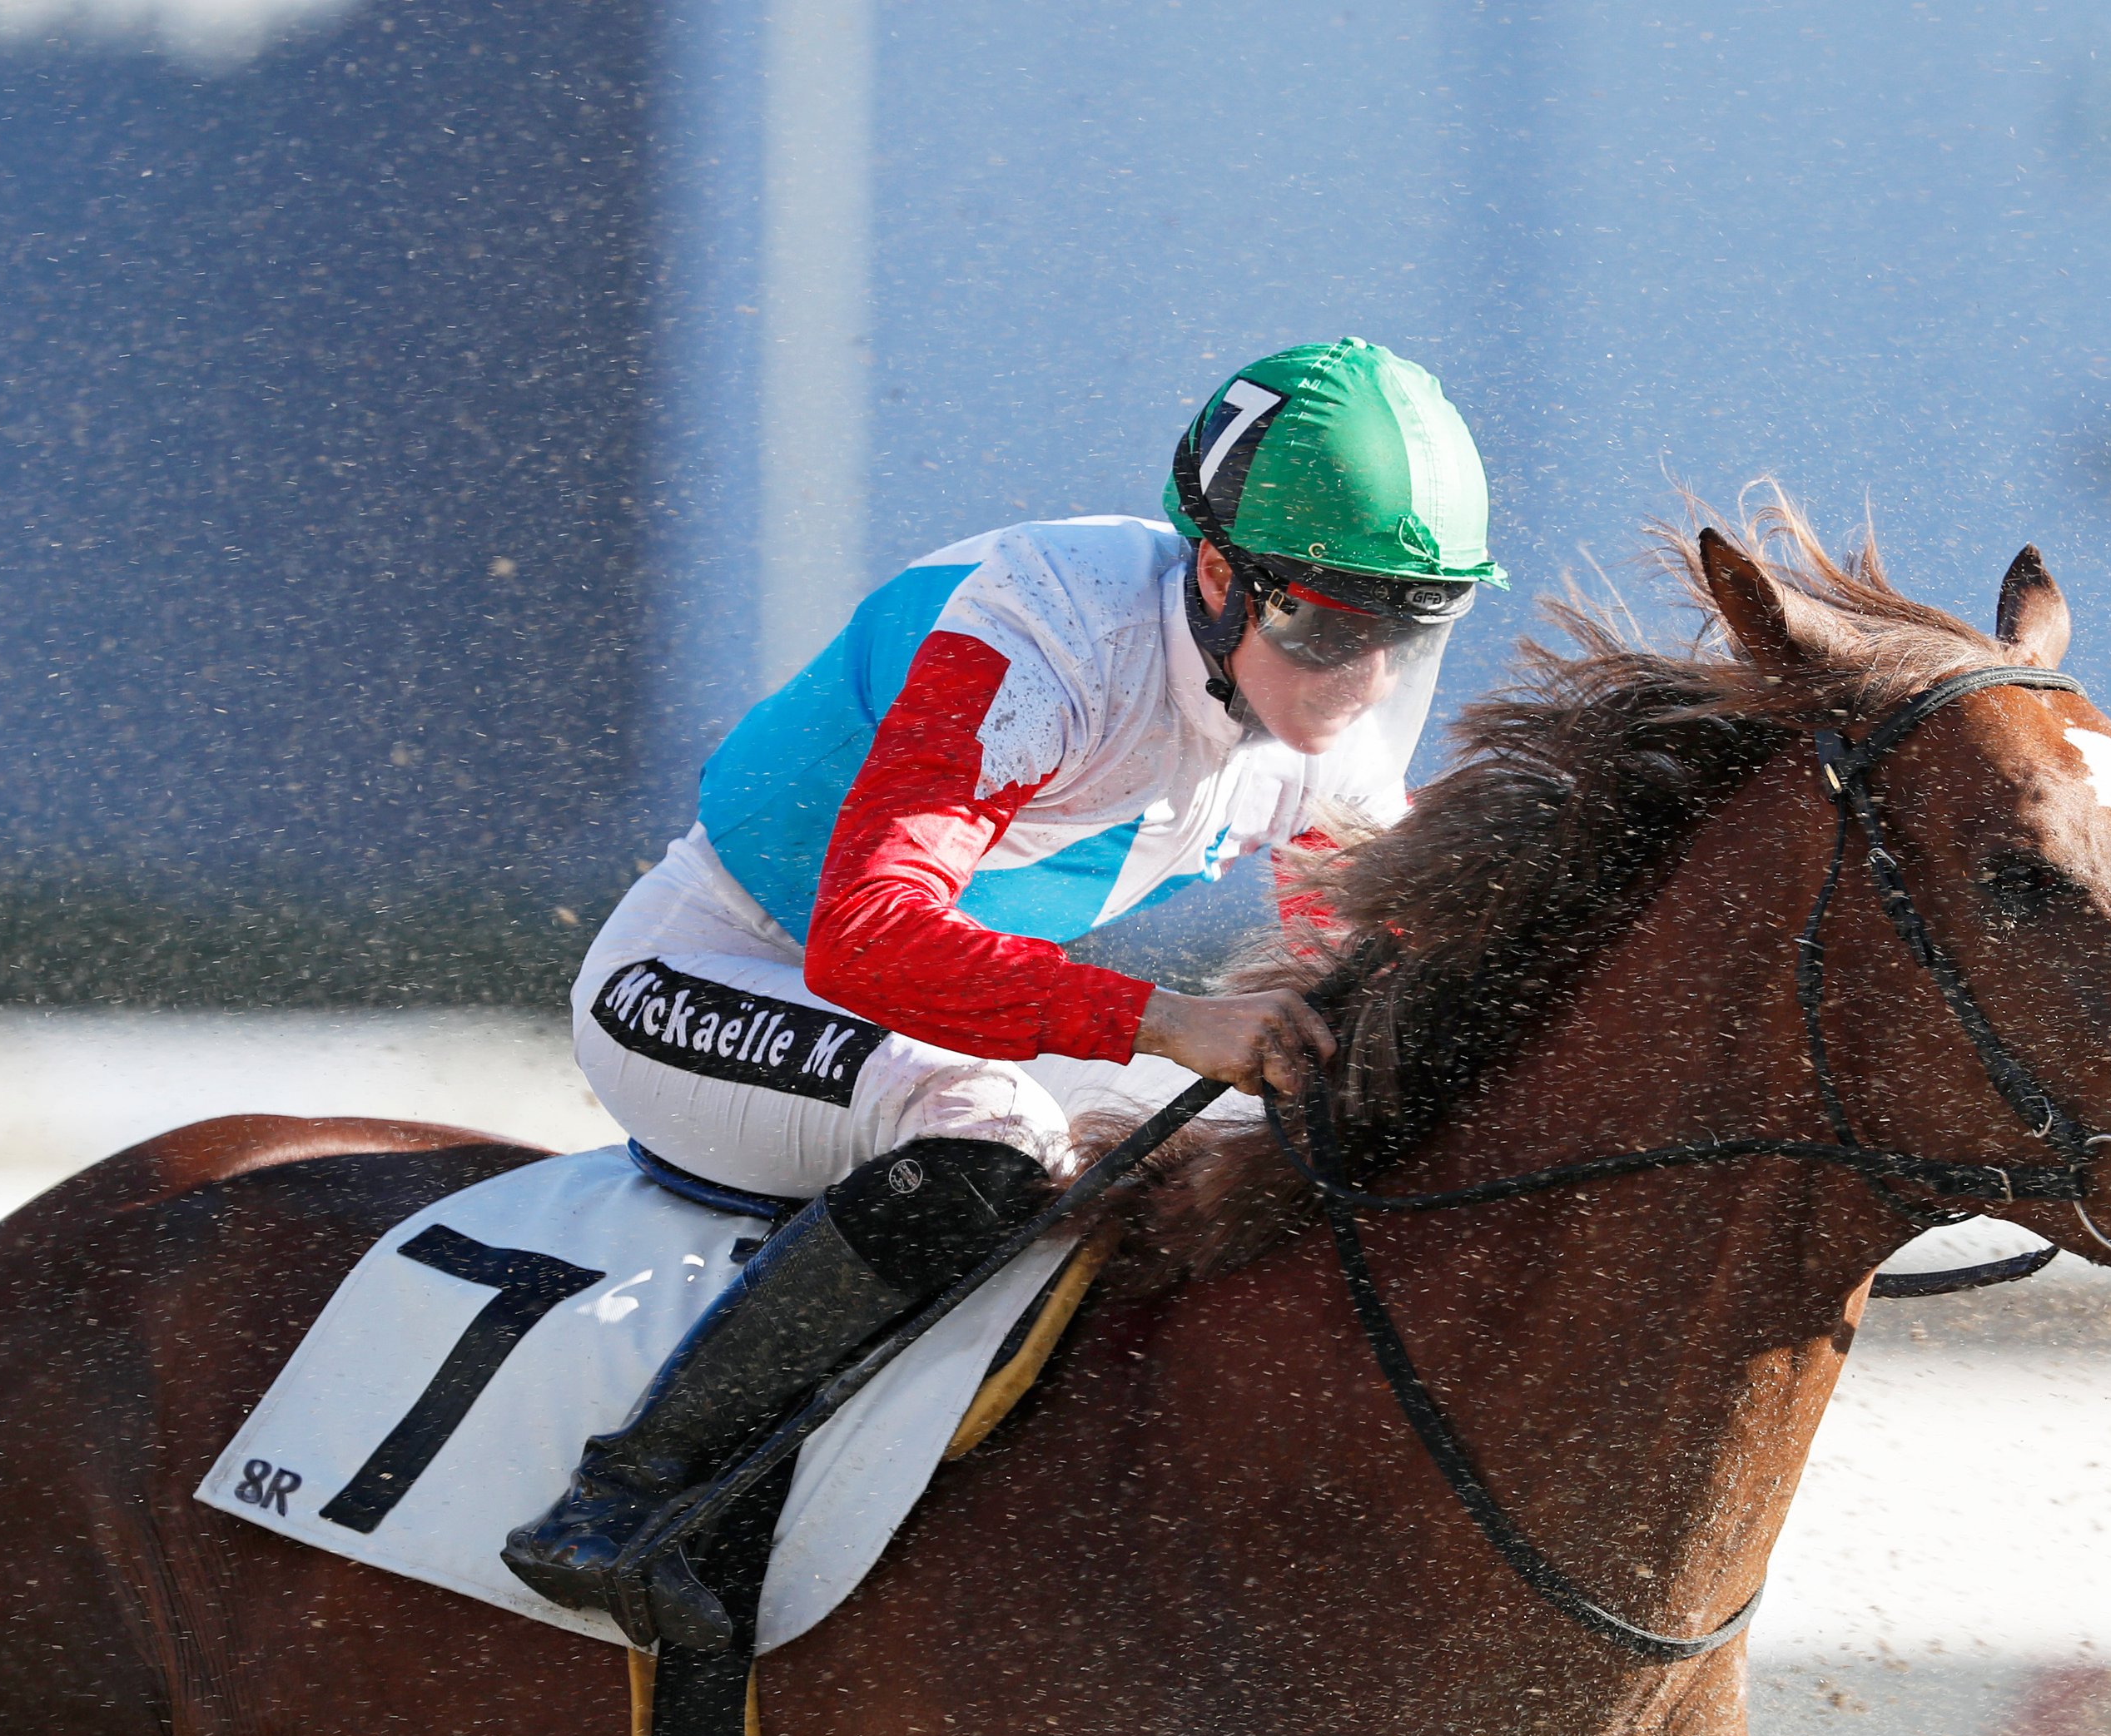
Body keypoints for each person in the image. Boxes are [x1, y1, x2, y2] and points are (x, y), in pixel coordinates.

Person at [503, 337, 1500, 1643]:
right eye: (1331, 625)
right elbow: (867, 941)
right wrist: (1167, 1020)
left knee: (1235, 1142)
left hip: (926, 1019)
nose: (1362, 683)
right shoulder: (1040, 635)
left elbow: (1393, 958)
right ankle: (628, 1499)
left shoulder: (1326, 722)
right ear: (1218, 573)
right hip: (710, 970)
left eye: (1408, 633)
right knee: (996, 1134)